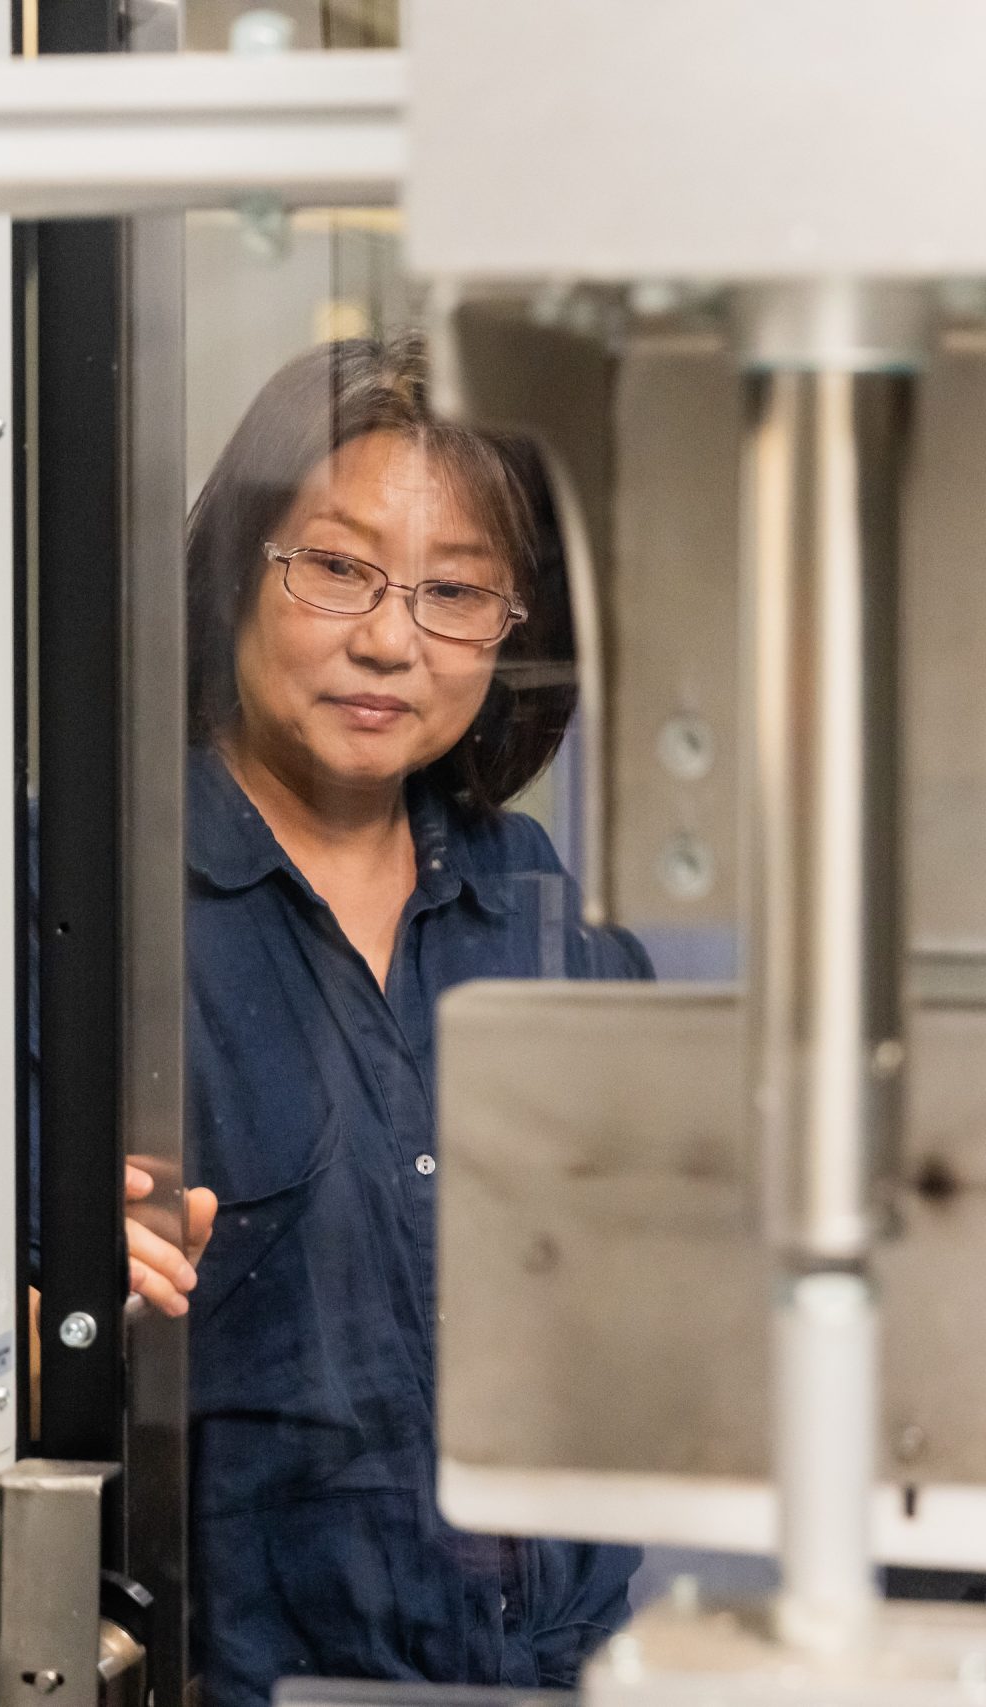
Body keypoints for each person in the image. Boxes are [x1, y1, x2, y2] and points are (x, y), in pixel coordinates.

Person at [173, 333, 646, 1707]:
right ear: (236, 569)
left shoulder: (541, 906)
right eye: (335, 566)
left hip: (552, 1673)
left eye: (455, 593)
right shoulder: (94, 909)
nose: (390, 637)